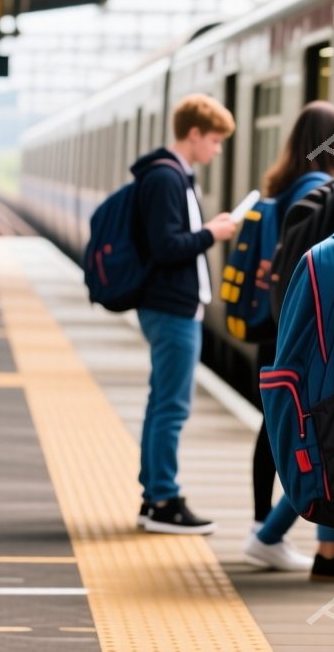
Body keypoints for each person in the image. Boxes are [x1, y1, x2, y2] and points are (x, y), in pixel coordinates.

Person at [245, 100, 334, 579]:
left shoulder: (283, 187)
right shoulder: (326, 190)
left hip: (276, 323)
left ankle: (275, 531)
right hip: (307, 325)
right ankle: (281, 537)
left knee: (290, 429)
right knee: (323, 436)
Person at [132, 94, 238, 535]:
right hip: (171, 306)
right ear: (193, 134)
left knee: (165, 403)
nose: (216, 150)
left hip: (173, 305)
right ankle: (161, 499)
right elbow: (166, 246)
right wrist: (211, 233)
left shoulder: (174, 176)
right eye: (213, 141)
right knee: (171, 406)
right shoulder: (167, 179)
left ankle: (156, 494)